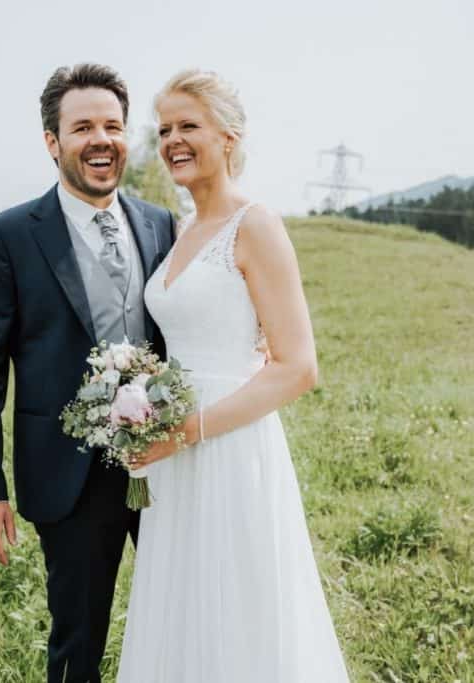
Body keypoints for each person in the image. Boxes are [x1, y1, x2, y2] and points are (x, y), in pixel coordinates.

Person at [116, 69, 350, 682]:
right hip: (172, 449)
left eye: (189, 125)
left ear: (229, 137)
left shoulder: (257, 224)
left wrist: (189, 429)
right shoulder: (182, 227)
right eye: (164, 129)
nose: (172, 141)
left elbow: (298, 368)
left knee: (240, 601)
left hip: (228, 441)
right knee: (184, 601)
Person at [0, 63, 176, 683]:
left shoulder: (160, 223)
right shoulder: (9, 236)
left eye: (113, 125)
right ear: (53, 142)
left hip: (167, 460)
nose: (100, 139)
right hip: (69, 473)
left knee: (185, 613)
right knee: (79, 639)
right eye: (83, 127)